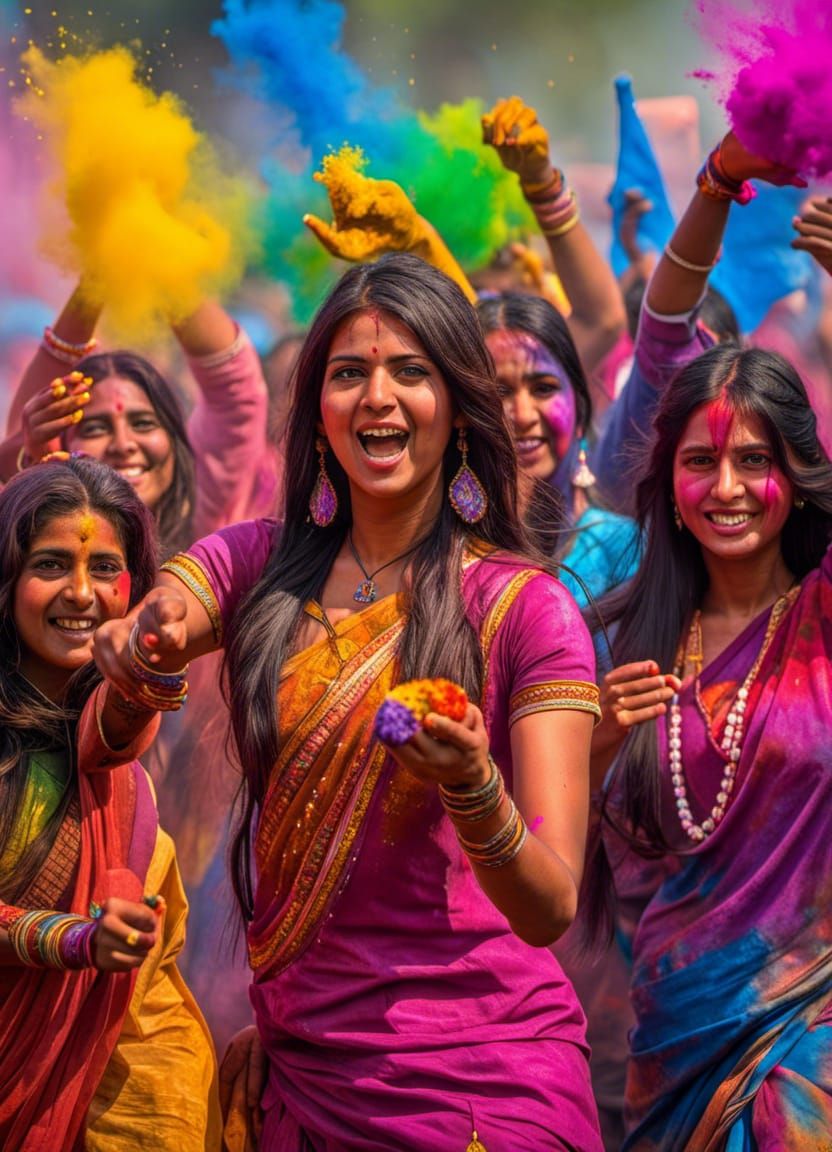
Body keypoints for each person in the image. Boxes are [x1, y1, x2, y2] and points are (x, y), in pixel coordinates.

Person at [95, 251, 606, 1151]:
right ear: (318, 413)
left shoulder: (527, 609)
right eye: (348, 373)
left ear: (456, 407)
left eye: (410, 371)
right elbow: (171, 606)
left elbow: (550, 907)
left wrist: (474, 786)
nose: (377, 396)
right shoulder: (261, 563)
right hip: (304, 1078)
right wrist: (143, 637)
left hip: (482, 1084)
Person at [0, 285, 282, 1048]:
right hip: (53, 875)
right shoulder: (38, 590)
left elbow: (235, 390)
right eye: (95, 424)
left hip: (207, 859)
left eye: (145, 421)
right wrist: (95, 288)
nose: (124, 442)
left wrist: (153, 254)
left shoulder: (218, 546)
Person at [585, 331, 832, 1147]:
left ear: (796, 479)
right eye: (700, 462)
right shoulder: (624, 637)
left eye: (755, 461)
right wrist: (600, 745)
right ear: (669, 480)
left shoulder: (825, 617)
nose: (726, 488)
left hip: (816, 1021)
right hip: (674, 1027)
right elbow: (564, 850)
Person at [0, 455, 220, 1151]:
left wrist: (151, 654)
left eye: (104, 570)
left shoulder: (110, 764)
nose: (81, 593)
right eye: (50, 564)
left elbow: (120, 723)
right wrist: (73, 939)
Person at [477, 291, 640, 608]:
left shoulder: (622, 550)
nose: (522, 415)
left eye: (543, 388)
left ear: (578, 405)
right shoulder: (443, 549)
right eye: (499, 392)